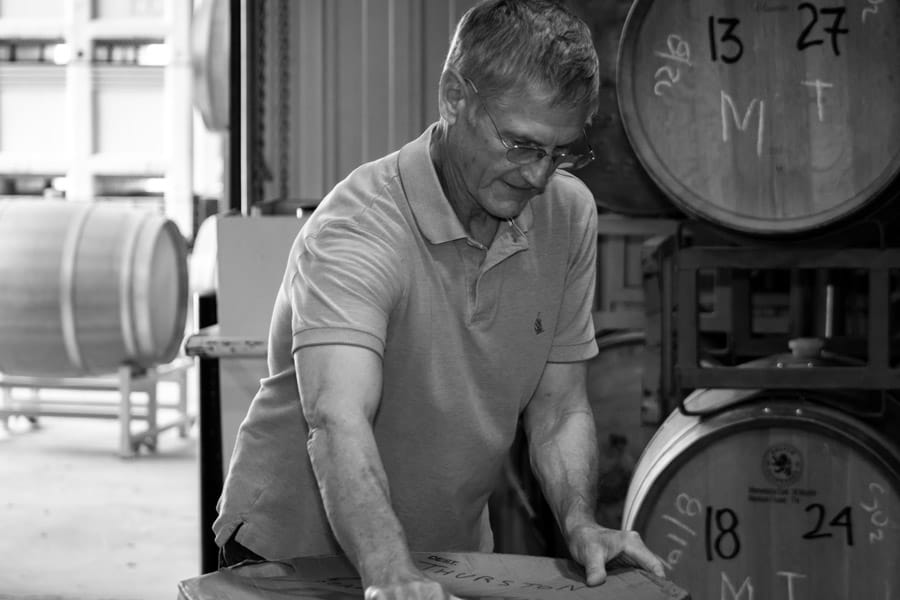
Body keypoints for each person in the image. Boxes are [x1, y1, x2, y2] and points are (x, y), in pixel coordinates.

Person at [213, 0, 666, 597]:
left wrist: (580, 525)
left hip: (445, 556)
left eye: (561, 153)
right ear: (455, 96)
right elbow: (338, 419)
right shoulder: (357, 229)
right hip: (295, 557)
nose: (538, 177)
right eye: (522, 146)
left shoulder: (567, 212)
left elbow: (558, 411)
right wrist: (389, 573)